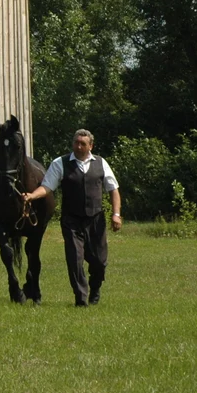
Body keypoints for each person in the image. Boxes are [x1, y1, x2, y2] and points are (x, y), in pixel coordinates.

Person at [23, 129, 122, 306]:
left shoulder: (101, 163)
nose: (78, 146)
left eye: (82, 143)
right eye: (76, 142)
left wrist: (116, 214)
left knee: (99, 262)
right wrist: (31, 196)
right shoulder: (60, 163)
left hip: (96, 220)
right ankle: (81, 299)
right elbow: (47, 187)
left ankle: (95, 288)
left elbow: (113, 190)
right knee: (75, 260)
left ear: (90, 145)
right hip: (72, 221)